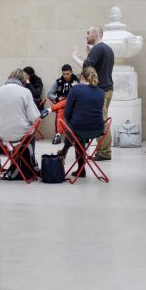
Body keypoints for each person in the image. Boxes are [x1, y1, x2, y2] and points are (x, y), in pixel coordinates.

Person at [72, 26, 114, 161]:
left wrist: (74, 57)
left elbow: (86, 67)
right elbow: (96, 68)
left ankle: (105, 152)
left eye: (88, 32)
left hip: (101, 91)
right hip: (107, 89)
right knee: (102, 119)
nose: (86, 35)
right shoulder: (107, 49)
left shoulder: (98, 49)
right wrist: (90, 54)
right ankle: (103, 151)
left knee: (101, 122)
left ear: (95, 34)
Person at [56, 66, 105, 178]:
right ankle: (79, 168)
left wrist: (72, 120)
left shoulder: (76, 89)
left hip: (79, 129)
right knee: (78, 132)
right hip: (98, 130)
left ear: (82, 77)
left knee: (74, 129)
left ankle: (65, 151)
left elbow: (67, 113)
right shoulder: (101, 92)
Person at [0, 68, 41, 159]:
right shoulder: (25, 92)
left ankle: (15, 161)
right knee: (32, 131)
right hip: (21, 133)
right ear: (23, 80)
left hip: (1, 133)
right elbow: (34, 117)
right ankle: (29, 162)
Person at [46, 64, 79, 144]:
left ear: (71, 72)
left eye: (67, 74)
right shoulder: (59, 82)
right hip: (63, 105)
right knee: (61, 109)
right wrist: (57, 98)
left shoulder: (77, 80)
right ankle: (58, 134)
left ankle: (51, 109)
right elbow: (49, 94)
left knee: (68, 99)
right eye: (64, 74)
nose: (65, 76)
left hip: (75, 105)